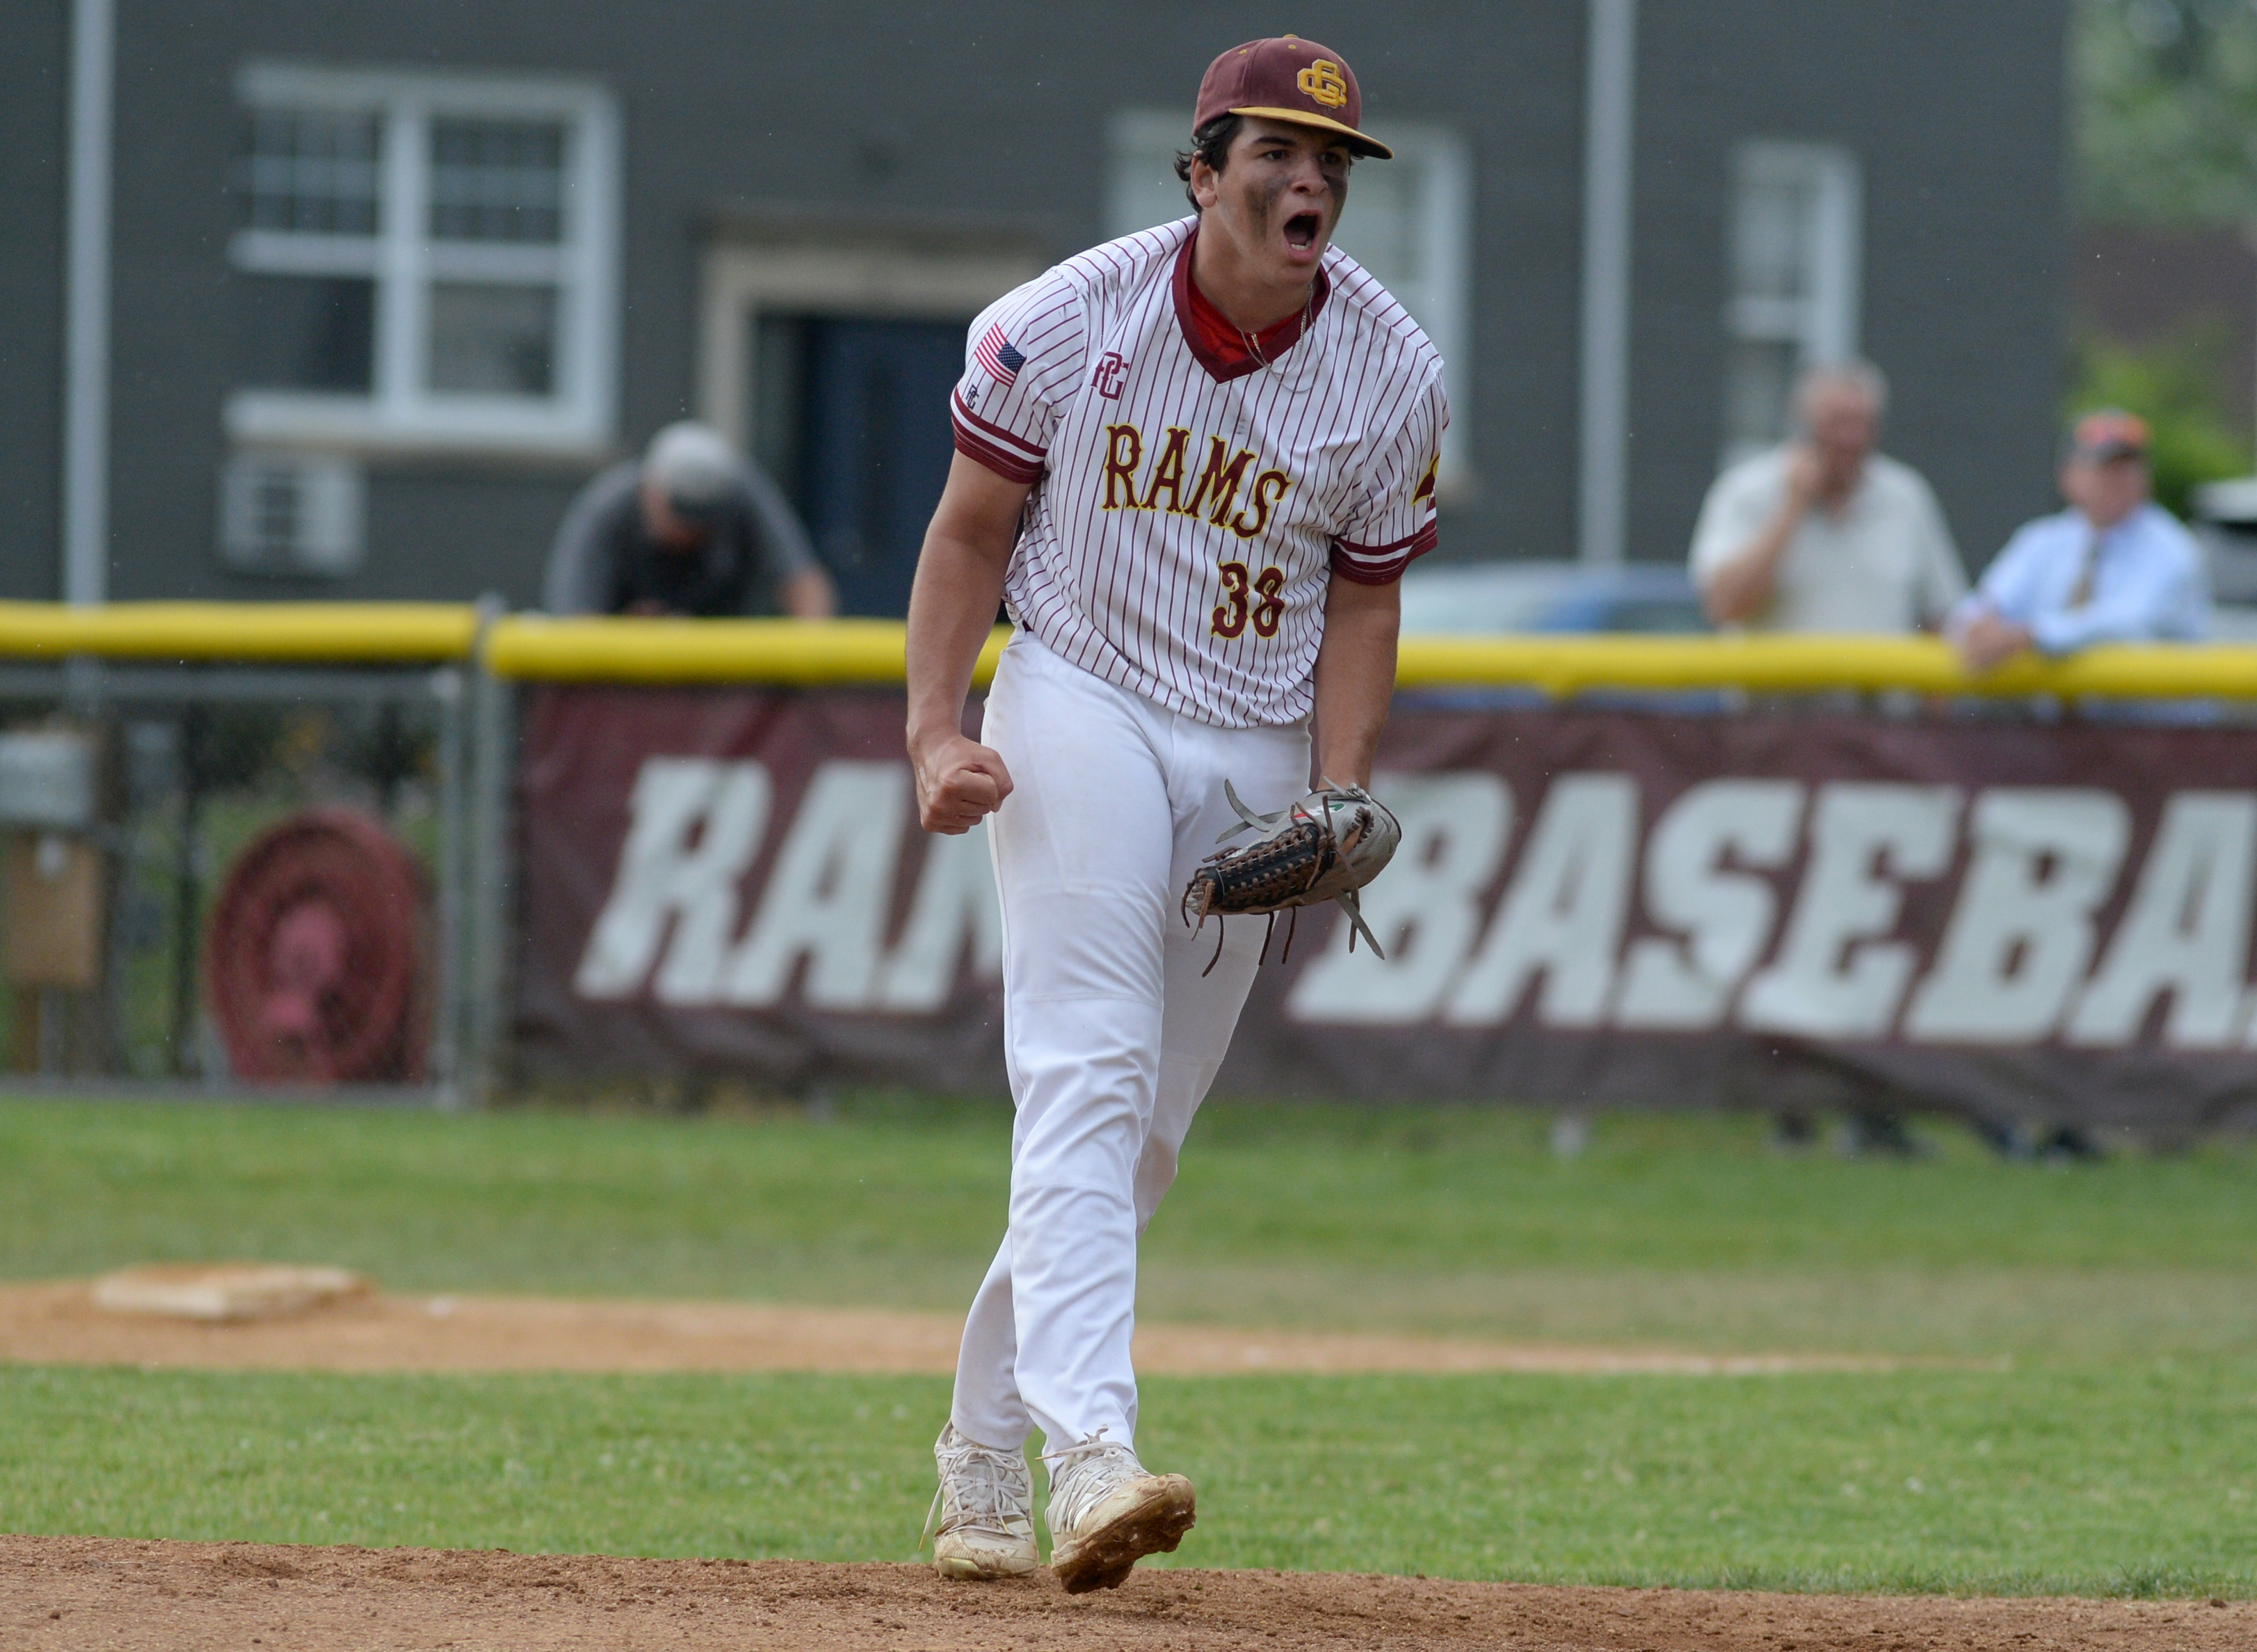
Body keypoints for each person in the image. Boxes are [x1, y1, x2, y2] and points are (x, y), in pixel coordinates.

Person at [904, 36, 1443, 1594]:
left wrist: (1339, 776)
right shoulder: (1065, 321)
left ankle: (978, 1447)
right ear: (1199, 172)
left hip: (1253, 731)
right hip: (1072, 686)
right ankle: (1091, 1453)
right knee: (1085, 1058)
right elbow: (964, 537)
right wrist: (935, 728)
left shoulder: (1391, 370)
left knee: (1137, 1134)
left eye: (1330, 161)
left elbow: (1363, 603)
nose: (1308, 181)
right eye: (1273, 151)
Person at [1691, 361, 1965, 633]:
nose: (1851, 439)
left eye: (1862, 423)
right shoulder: (1746, 492)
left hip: (1877, 678)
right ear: (1802, 423)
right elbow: (1722, 606)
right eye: (1837, 423)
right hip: (1779, 679)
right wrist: (1792, 507)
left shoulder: (1906, 496)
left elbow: (1941, 615)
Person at [1952, 409, 2208, 671]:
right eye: (2105, 467)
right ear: (2069, 476)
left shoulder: (2173, 548)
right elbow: (1978, 609)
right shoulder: (2044, 541)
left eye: (2129, 467)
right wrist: (1980, 627)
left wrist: (2032, 636)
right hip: (2058, 711)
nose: (2119, 478)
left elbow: (2127, 622)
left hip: (2153, 712)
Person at [540, 422, 835, 618]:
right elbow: (573, 620)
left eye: (703, 521)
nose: (690, 532)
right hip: (624, 680)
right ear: (651, 491)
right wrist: (627, 639)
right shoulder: (607, 508)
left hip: (720, 674)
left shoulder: (743, 493)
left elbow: (805, 585)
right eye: (680, 514)